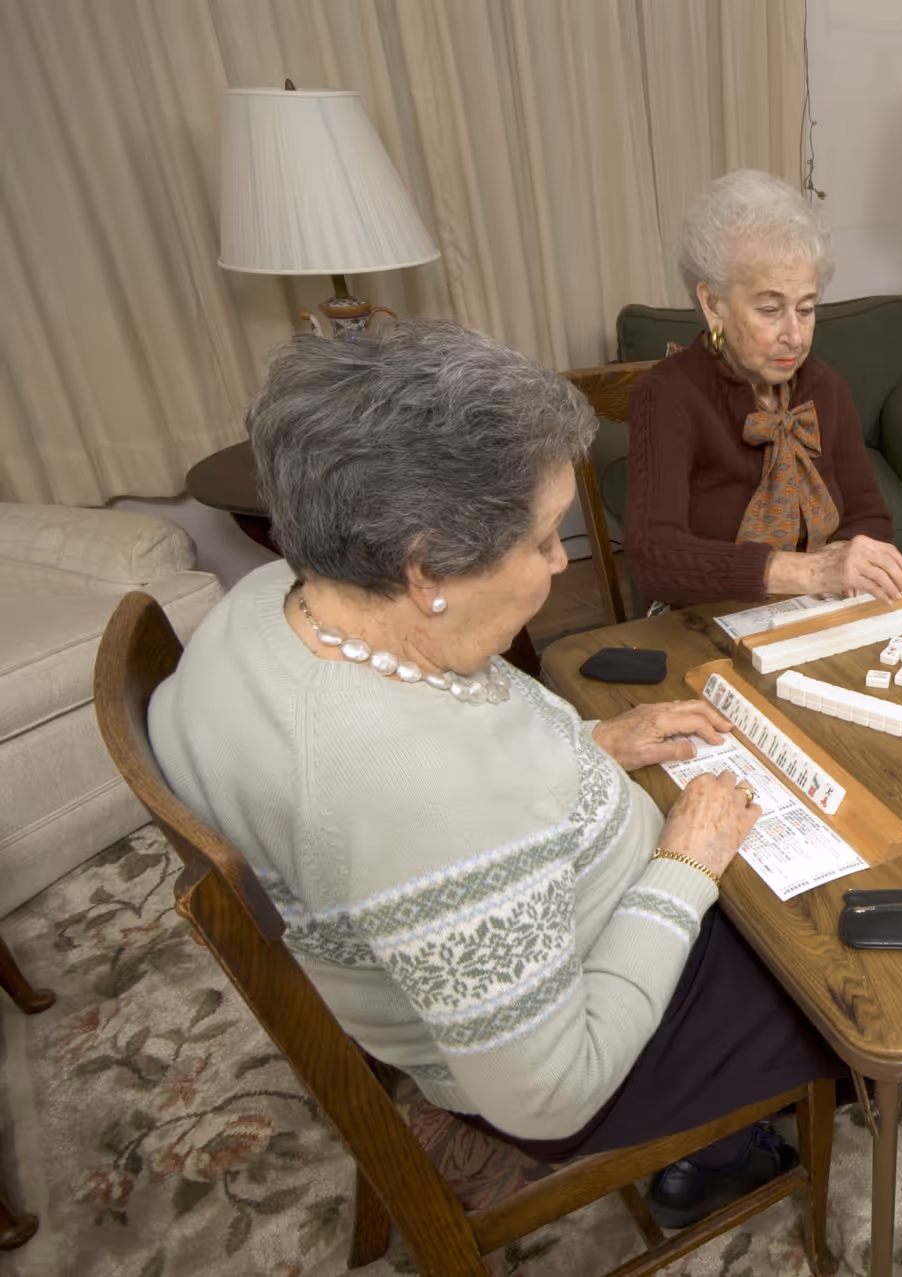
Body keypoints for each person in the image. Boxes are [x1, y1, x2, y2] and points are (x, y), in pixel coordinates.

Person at [152, 321, 846, 1229]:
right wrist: (686, 864)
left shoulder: (262, 601)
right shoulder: (417, 788)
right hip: (585, 1052)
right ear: (426, 566)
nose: (564, 562)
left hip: (488, 935)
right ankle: (722, 1143)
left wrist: (590, 752)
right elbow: (549, 1093)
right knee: (830, 957)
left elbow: (452, 807)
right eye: (545, 538)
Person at [624, 168, 902, 610]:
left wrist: (844, 557)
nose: (795, 336)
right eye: (770, 309)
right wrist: (809, 571)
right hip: (703, 619)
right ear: (713, 303)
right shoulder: (665, 396)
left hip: (815, 611)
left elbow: (870, 515)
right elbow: (654, 559)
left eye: (807, 308)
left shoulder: (826, 388)